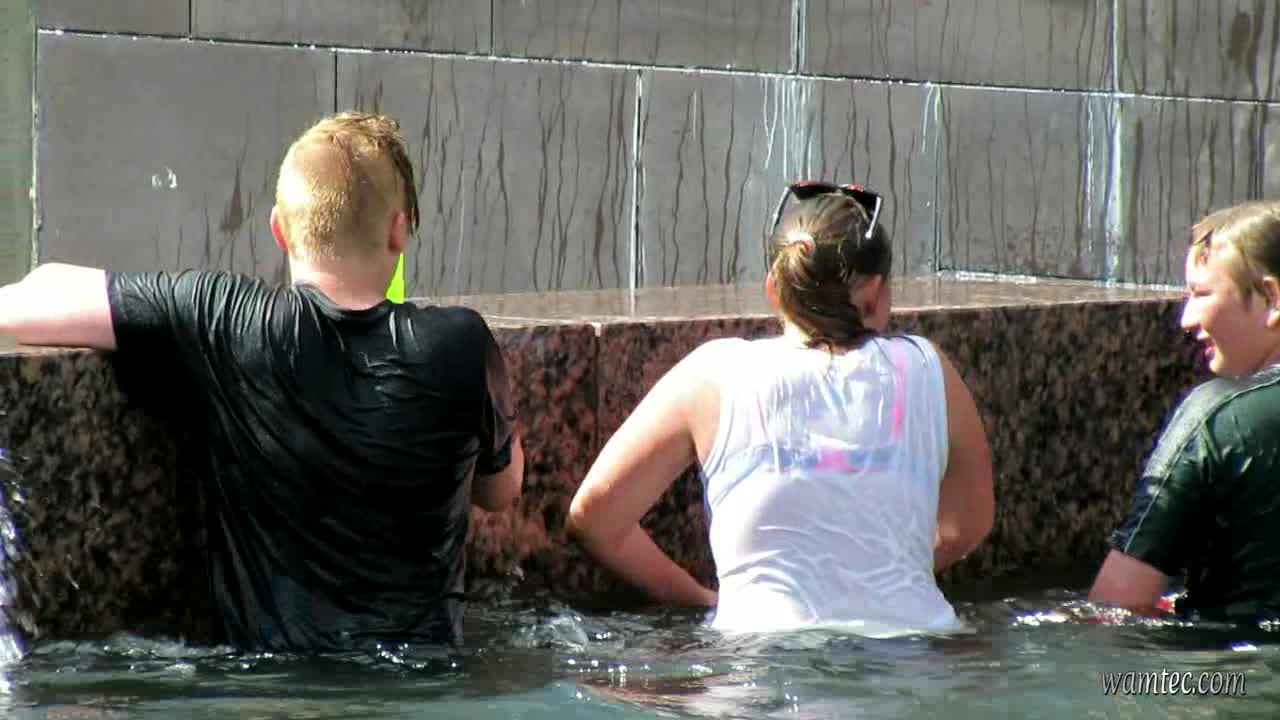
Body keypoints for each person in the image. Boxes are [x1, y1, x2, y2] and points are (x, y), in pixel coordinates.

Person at [0, 112, 523, 650]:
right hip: (424, 680)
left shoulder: (230, 321)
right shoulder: (462, 343)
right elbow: (501, 489)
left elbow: (27, 304)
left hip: (270, 683)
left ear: (280, 229)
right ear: (398, 228)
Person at [567, 181, 994, 636]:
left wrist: (701, 600)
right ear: (874, 294)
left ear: (774, 289)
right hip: (916, 650)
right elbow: (969, 524)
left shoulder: (715, 376)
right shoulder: (928, 370)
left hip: (761, 652)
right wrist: (880, 579)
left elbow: (595, 518)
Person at [1090, 200, 1280, 622]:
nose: (1186, 319)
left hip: (1233, 657)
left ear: (1271, 297)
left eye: (1201, 294)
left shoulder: (1219, 415)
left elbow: (1118, 603)